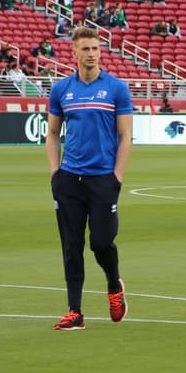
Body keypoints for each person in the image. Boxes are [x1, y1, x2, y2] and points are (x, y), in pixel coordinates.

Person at [46, 27, 133, 331]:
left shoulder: (116, 88)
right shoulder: (61, 90)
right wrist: (55, 173)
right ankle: (75, 311)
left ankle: (113, 284)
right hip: (69, 180)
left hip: (102, 181)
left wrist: (117, 177)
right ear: (74, 53)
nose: (92, 54)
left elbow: (125, 136)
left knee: (101, 242)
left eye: (96, 48)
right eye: (86, 49)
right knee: (71, 246)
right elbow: (53, 134)